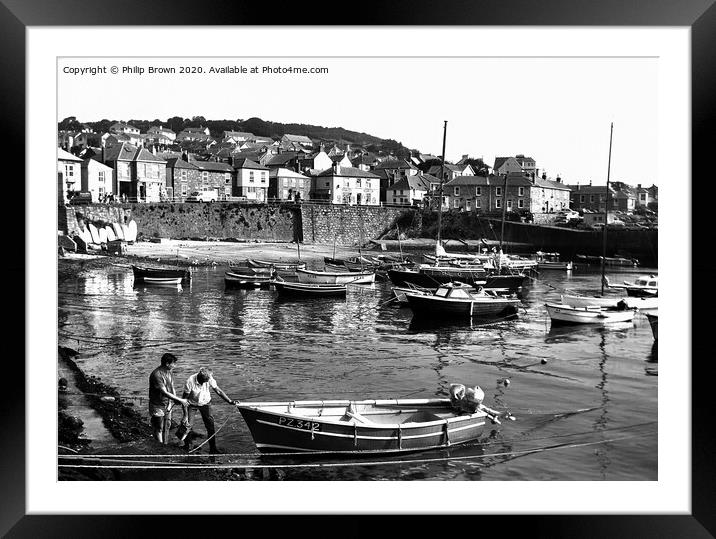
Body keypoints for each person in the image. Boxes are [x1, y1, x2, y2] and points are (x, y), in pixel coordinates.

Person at [176, 367, 238, 453]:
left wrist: (230, 401)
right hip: (191, 404)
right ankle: (187, 446)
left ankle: (213, 448)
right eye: (206, 381)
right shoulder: (190, 381)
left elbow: (218, 391)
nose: (208, 381)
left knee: (210, 425)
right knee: (188, 424)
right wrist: (185, 415)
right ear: (201, 378)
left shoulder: (209, 378)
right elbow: (184, 400)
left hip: (206, 403)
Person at [148, 353, 189, 444]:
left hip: (168, 403)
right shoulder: (157, 375)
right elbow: (164, 392)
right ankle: (160, 446)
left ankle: (165, 443)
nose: (175, 365)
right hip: (157, 404)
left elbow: (172, 386)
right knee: (159, 427)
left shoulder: (169, 371)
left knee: (167, 425)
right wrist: (181, 400)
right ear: (167, 363)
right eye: (173, 363)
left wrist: (174, 399)